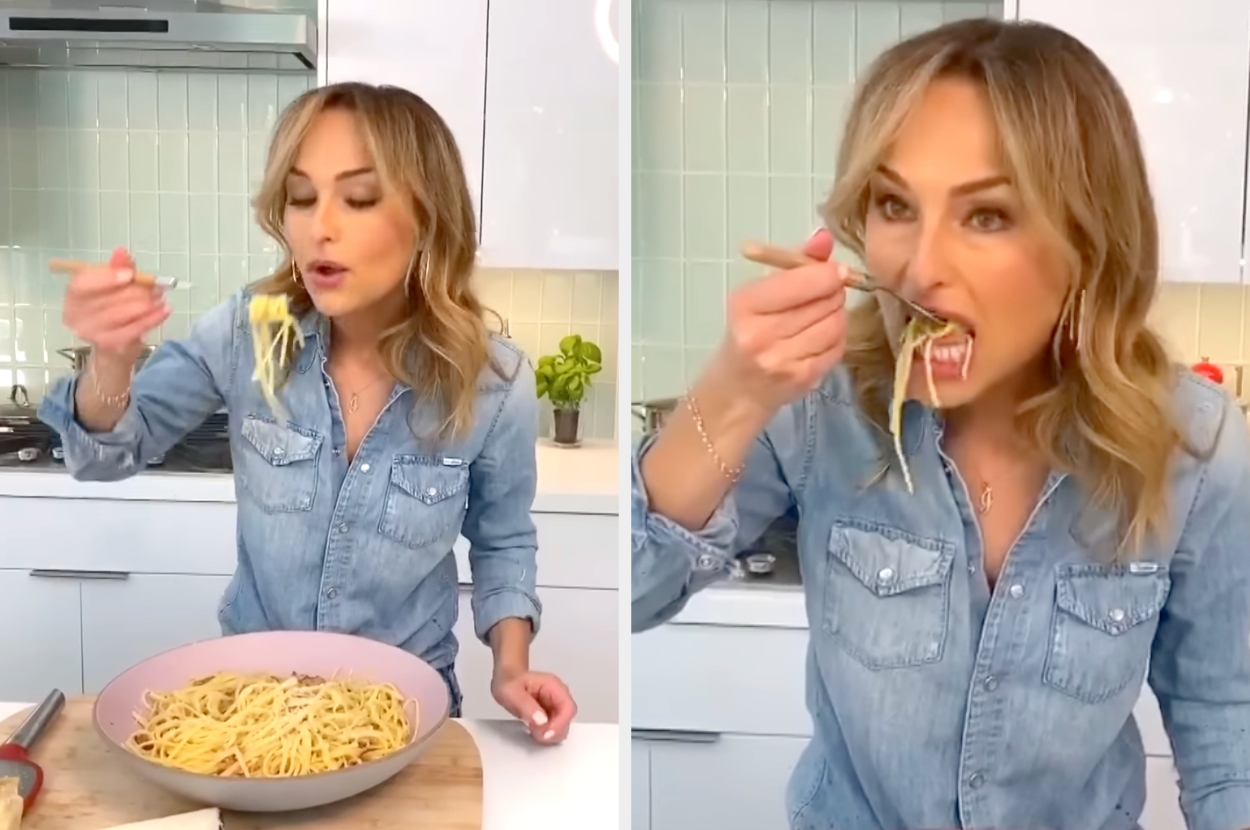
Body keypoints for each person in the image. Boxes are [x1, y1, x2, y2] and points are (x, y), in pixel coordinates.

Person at [632, 17, 1250, 830]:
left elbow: (1226, 727)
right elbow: (634, 590)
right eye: (895, 205)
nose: (921, 269)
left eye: (986, 215)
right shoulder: (816, 408)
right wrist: (732, 391)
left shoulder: (1196, 450)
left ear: (1088, 242)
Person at [41, 81, 577, 744]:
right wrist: (111, 359)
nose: (319, 227)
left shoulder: (493, 383)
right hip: (253, 714)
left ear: (427, 217)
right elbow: (104, 456)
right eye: (300, 197)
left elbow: (503, 541)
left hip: (404, 716)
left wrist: (511, 667)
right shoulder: (249, 332)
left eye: (359, 198)